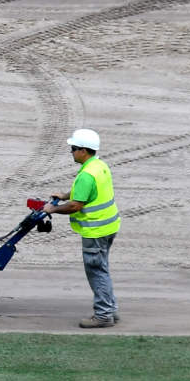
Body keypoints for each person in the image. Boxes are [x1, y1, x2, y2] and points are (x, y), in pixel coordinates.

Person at [45, 127, 120, 328]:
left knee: (96, 271)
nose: (71, 152)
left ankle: (103, 315)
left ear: (83, 151)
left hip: (95, 230)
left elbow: (75, 206)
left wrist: (52, 209)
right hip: (109, 225)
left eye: (74, 148)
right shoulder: (99, 166)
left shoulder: (87, 174)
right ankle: (110, 309)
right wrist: (64, 195)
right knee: (102, 269)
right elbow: (82, 193)